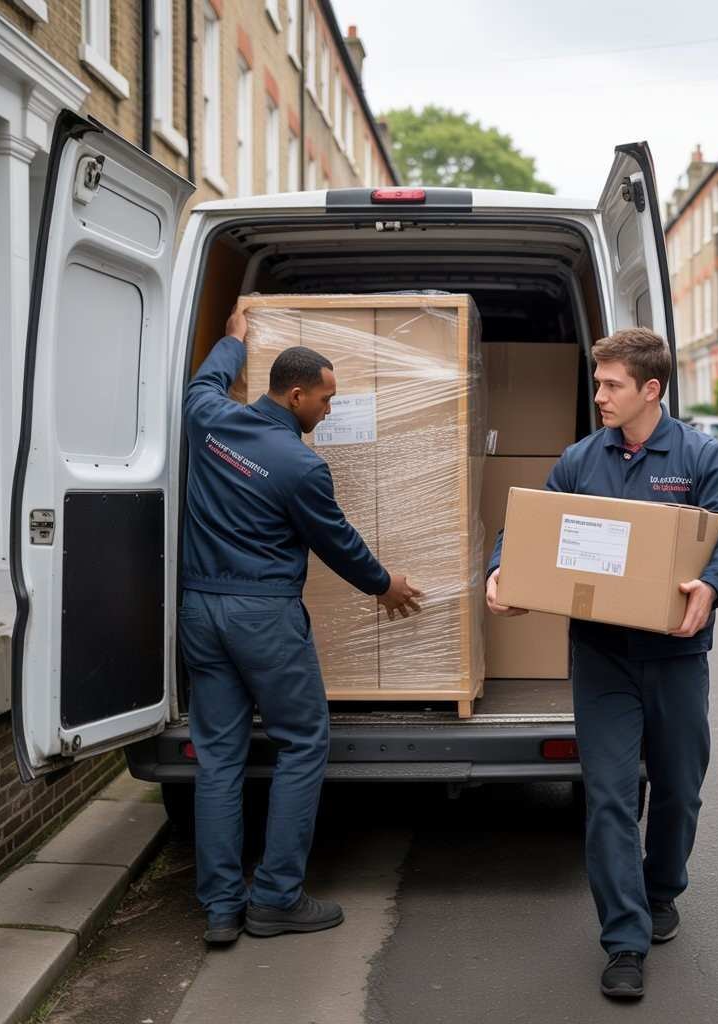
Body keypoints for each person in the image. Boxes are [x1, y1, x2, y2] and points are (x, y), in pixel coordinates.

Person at [486, 327, 718, 999]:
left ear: (651, 389)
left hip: (675, 656)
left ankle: (662, 886)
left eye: (611, 384)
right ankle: (624, 939)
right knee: (609, 796)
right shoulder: (582, 458)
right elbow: (526, 529)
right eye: (599, 382)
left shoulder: (699, 458)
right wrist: (502, 573)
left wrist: (712, 584)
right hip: (602, 655)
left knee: (677, 787)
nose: (599, 394)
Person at [180, 304, 420, 944]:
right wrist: (384, 585)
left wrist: (232, 343)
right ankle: (277, 898)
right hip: (262, 616)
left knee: (219, 758)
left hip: (200, 612)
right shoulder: (300, 466)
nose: (330, 410)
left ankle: (222, 909)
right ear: (294, 395)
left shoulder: (209, 420)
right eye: (326, 398)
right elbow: (336, 541)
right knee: (303, 741)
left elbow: (202, 384)